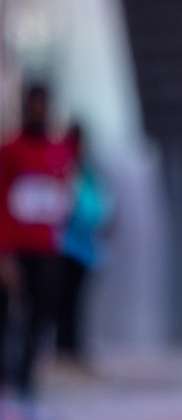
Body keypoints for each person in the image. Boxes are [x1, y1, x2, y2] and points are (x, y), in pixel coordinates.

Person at [0, 84, 73, 420]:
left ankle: (29, 397)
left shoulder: (59, 152)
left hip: (47, 251)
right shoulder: (10, 150)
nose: (38, 112)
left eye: (44, 106)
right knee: (9, 325)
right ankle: (6, 398)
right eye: (33, 106)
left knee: (39, 325)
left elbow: (61, 198)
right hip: (16, 252)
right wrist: (5, 254)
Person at [56, 122, 114, 372]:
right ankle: (64, 347)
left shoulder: (86, 169)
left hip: (84, 249)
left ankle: (72, 347)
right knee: (64, 301)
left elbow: (99, 203)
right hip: (64, 246)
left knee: (75, 302)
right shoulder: (64, 166)